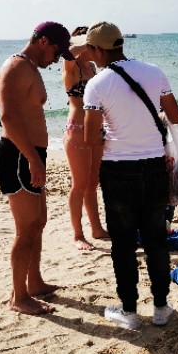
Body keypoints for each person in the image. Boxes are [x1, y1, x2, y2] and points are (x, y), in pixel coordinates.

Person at [82, 21, 178, 330]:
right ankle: (162, 308)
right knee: (156, 241)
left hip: (119, 170)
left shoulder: (97, 85)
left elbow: (90, 137)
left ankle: (129, 310)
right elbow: (174, 116)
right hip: (153, 165)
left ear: (99, 50)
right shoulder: (154, 71)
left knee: (123, 246)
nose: (90, 56)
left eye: (90, 50)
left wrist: (114, 130)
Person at [0, 21, 74, 315]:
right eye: (55, 51)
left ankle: (34, 282)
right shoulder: (16, 67)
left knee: (38, 222)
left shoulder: (28, 66)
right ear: (42, 41)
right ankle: (19, 297)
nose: (55, 59)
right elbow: (8, 118)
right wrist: (32, 158)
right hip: (18, 154)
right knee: (26, 228)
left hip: (28, 153)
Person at [62, 26, 108, 251]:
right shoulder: (70, 66)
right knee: (79, 184)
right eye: (91, 44)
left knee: (92, 183)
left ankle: (97, 228)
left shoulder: (91, 66)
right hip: (78, 129)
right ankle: (78, 235)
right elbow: (67, 52)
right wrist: (84, 42)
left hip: (97, 130)